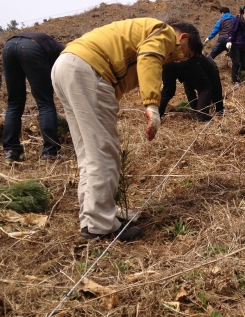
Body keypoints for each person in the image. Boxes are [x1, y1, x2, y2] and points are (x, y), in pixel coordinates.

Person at [51, 19, 198, 242]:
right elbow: (148, 57)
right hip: (87, 69)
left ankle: (93, 217)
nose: (180, 59)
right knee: (103, 152)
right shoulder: (164, 33)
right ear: (184, 38)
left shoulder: (142, 31)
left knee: (88, 153)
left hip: (66, 65)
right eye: (187, 54)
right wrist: (151, 104)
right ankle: (100, 224)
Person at [1, 32, 64, 164]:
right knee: (45, 102)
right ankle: (50, 152)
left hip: (9, 46)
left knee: (14, 103)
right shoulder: (65, 53)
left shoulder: (52, 45)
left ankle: (11, 151)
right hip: (31, 48)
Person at [159, 36, 213, 122]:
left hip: (167, 61)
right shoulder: (189, 38)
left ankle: (155, 116)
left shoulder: (170, 34)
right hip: (184, 60)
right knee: (205, 88)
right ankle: (202, 116)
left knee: (167, 91)